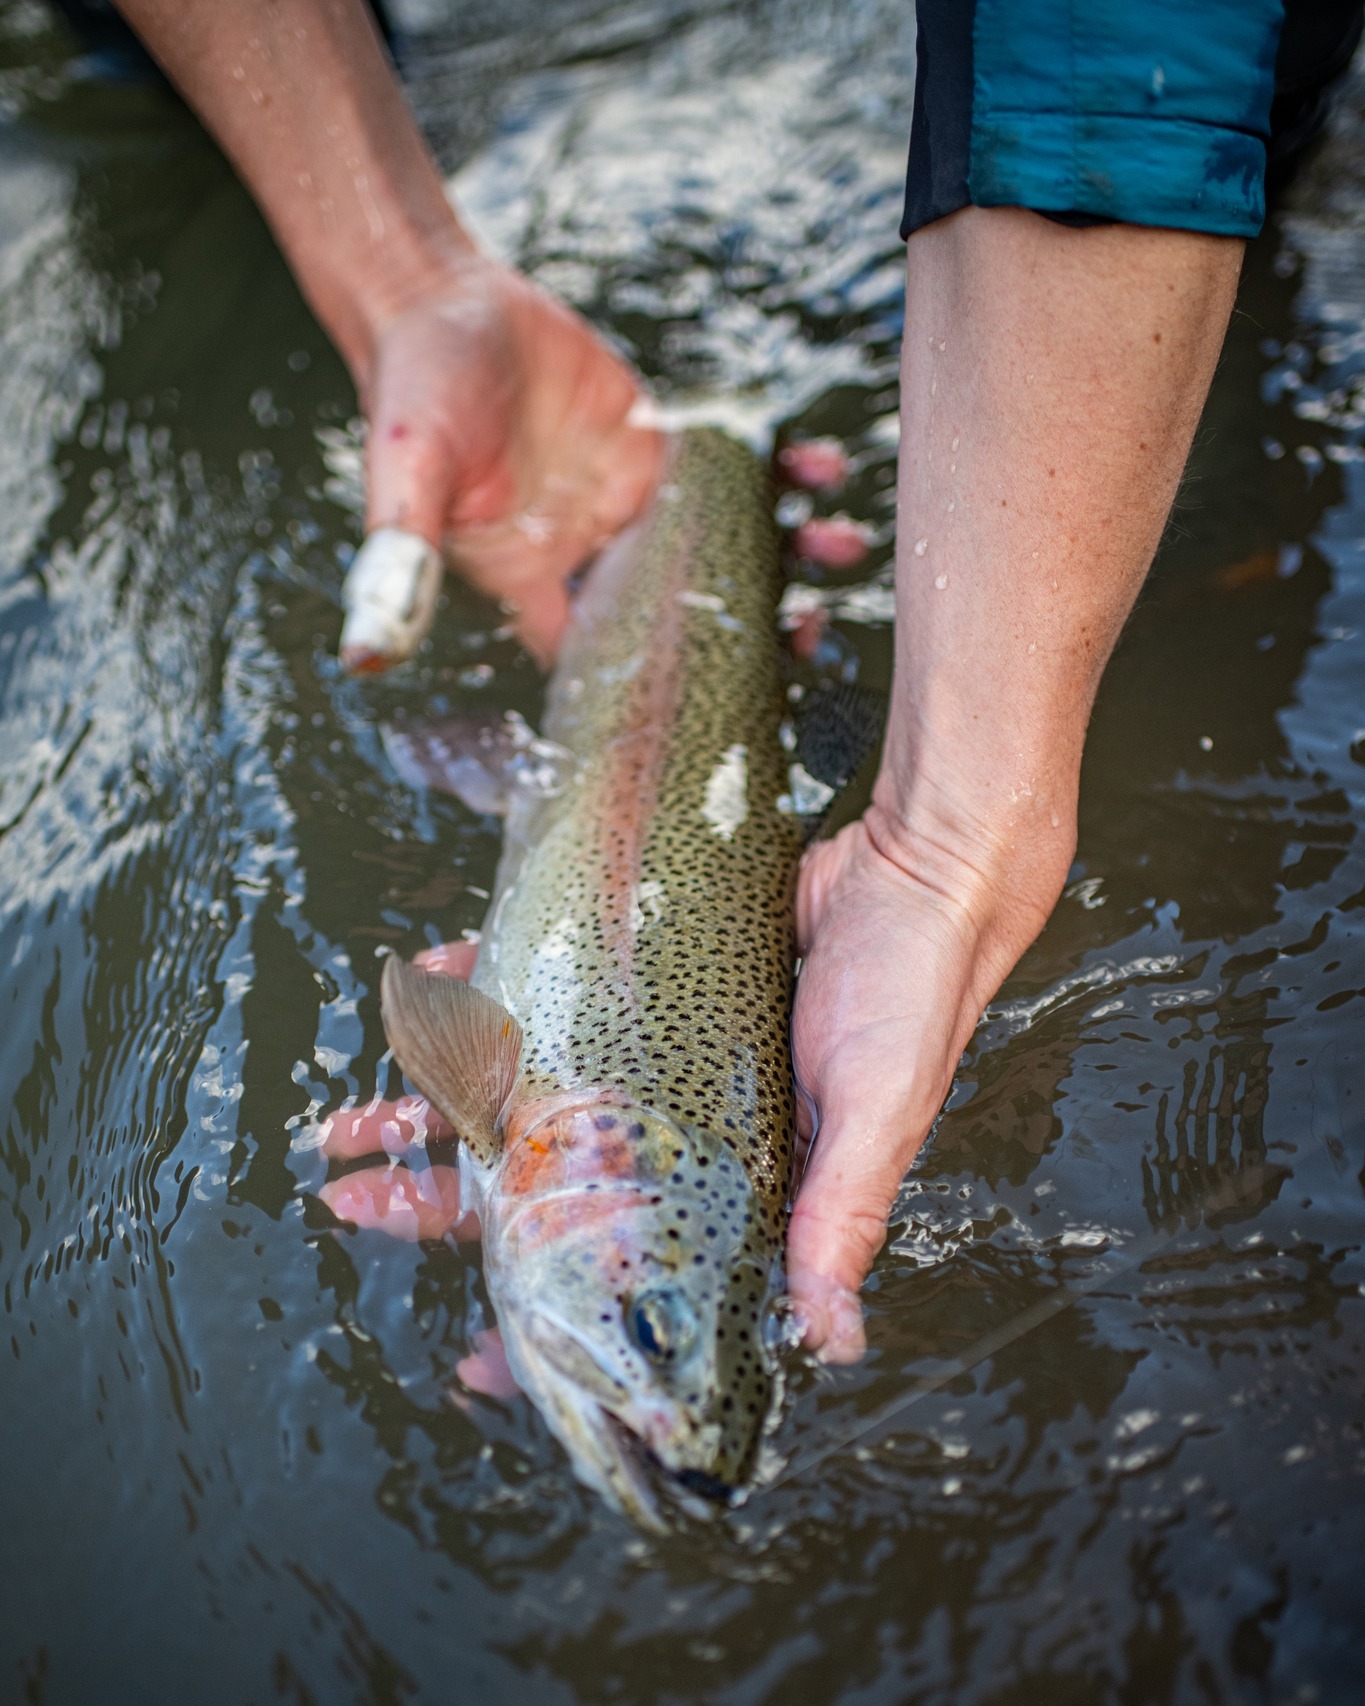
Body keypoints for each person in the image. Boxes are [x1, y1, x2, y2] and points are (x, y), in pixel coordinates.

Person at [112, 0, 1363, 1363]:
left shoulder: (592, 1162)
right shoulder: (566, 1148)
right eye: (647, 1331)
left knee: (1215, 133)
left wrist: (949, 836)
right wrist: (389, 269)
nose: (643, 1364)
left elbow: (1131, 40)